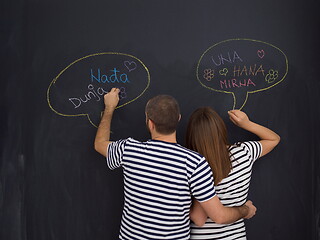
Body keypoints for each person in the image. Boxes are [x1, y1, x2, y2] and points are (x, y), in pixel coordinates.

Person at [94, 88, 257, 240]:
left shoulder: (129, 150)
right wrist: (246, 210)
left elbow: (100, 143)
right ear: (178, 119)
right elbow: (219, 216)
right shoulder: (196, 163)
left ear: (150, 122)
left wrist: (109, 108)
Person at [186, 107, 280, 240]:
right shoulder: (243, 153)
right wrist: (246, 124)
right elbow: (273, 139)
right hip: (236, 236)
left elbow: (199, 219)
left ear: (192, 135)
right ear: (220, 129)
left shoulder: (193, 165)